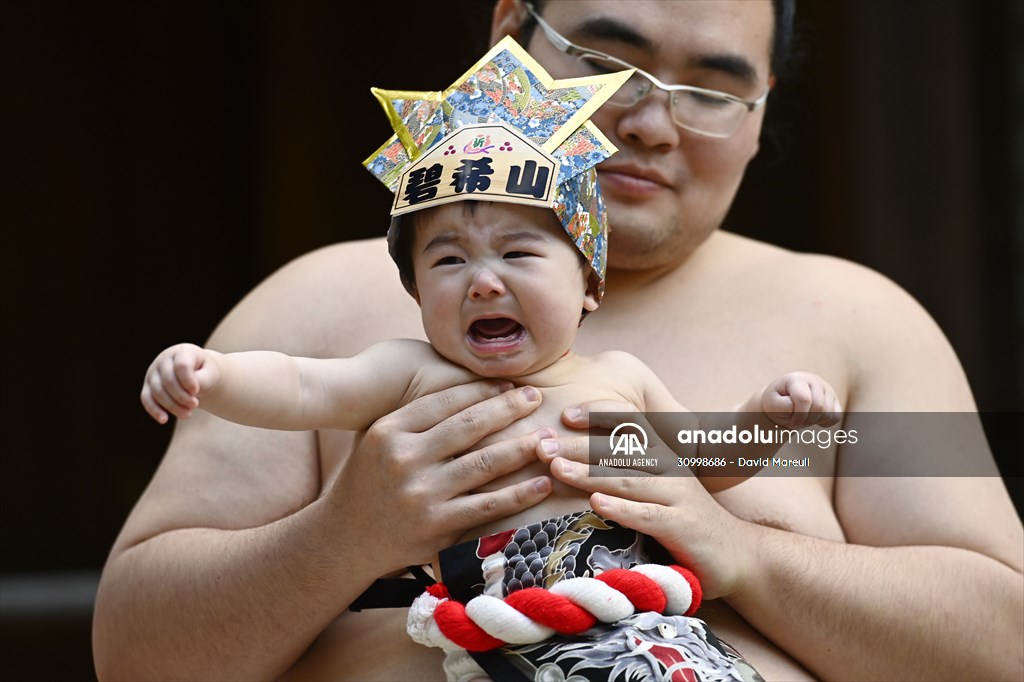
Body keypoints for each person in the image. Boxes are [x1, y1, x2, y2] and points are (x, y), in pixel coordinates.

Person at [93, 2, 1024, 681]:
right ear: (510, 39)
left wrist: (738, 550)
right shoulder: (316, 310)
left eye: (709, 90)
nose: (647, 122)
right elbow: (137, 654)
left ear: (762, 113)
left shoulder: (856, 322)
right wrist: (343, 539)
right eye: (604, 58)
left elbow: (1001, 639)